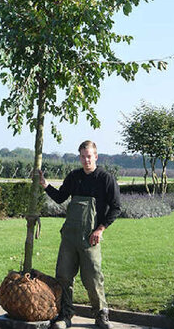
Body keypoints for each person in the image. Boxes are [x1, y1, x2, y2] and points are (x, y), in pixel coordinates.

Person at [39, 140, 121, 329]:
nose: (86, 160)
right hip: (69, 236)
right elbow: (61, 197)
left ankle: (101, 315)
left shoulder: (105, 178)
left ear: (96, 156)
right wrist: (45, 185)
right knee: (64, 276)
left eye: (89, 156)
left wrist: (100, 229)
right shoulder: (74, 177)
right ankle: (65, 315)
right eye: (83, 157)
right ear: (80, 157)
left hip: (90, 237)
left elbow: (116, 207)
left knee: (92, 278)